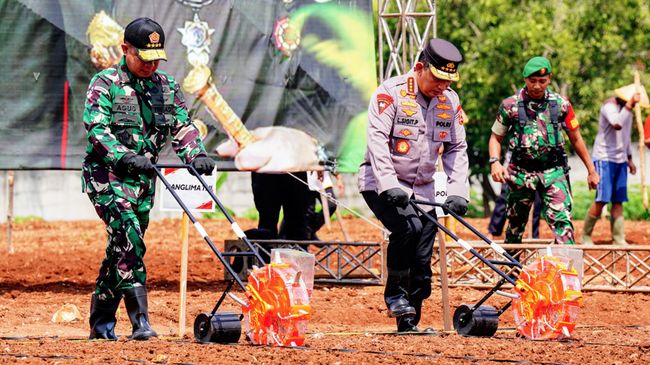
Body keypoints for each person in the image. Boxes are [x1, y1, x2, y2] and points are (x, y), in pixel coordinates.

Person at [81, 17, 215, 341]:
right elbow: (97, 129)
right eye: (143, 56)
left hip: (144, 182)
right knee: (128, 235)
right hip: (107, 176)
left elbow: (183, 126)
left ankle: (100, 325)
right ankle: (141, 323)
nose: (150, 64)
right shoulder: (105, 83)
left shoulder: (166, 87)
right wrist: (123, 156)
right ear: (125, 49)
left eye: (156, 57)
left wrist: (196, 153)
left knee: (122, 247)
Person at [358, 38, 469, 333]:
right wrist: (389, 184)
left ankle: (409, 321)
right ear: (420, 68)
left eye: (449, 81)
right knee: (408, 228)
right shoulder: (390, 94)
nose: (443, 87)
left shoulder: (450, 101)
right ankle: (394, 295)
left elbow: (457, 147)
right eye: (438, 79)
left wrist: (458, 191)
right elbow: (377, 141)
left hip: (424, 189)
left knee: (422, 256)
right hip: (381, 182)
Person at [489, 56, 599, 246]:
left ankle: (567, 273)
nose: (537, 86)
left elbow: (576, 138)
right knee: (515, 228)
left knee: (562, 223)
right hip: (520, 173)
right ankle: (510, 273)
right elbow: (495, 138)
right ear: (525, 79)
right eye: (532, 81)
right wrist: (495, 162)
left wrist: (591, 170)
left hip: (553, 171)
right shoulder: (510, 105)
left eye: (542, 81)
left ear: (549, 78)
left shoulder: (561, 104)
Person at [582, 86, 643, 244]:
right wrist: (630, 105)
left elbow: (626, 135)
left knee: (618, 200)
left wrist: (629, 158)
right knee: (602, 199)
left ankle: (618, 238)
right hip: (604, 158)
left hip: (620, 159)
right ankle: (586, 236)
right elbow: (617, 124)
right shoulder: (609, 106)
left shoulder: (628, 110)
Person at [488, 150, 542, 239]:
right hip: (512, 171)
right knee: (504, 201)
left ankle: (533, 236)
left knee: (536, 205)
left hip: (537, 173)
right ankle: (492, 233)